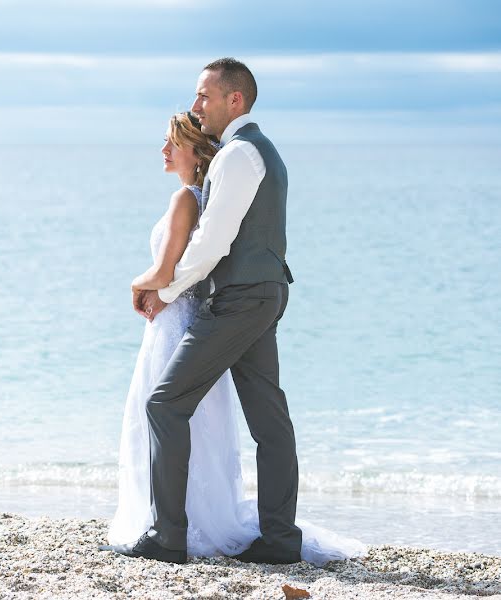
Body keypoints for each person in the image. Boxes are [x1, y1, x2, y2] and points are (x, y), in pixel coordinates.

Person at [101, 58, 366, 566]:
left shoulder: (240, 155)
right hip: (258, 293)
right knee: (269, 419)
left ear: (234, 100)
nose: (196, 106)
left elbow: (211, 243)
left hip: (242, 298)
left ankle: (168, 536)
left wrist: (166, 289)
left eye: (204, 96)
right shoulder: (254, 151)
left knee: (164, 403)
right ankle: (280, 538)